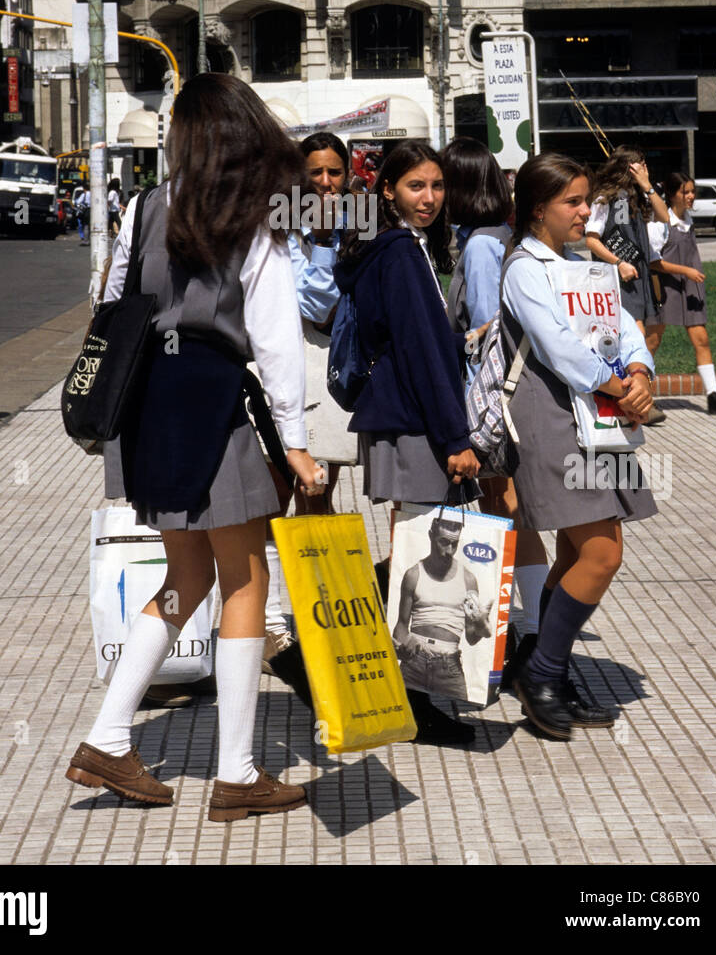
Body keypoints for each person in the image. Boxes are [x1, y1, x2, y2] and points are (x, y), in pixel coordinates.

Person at [66, 75, 325, 819]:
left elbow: (110, 304)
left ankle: (111, 737)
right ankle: (237, 774)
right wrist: (298, 445)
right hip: (217, 410)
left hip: (151, 407)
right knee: (246, 585)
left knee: (186, 578)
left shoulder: (147, 205)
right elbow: (276, 345)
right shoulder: (256, 219)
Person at [499, 154, 657, 740]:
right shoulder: (525, 268)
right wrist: (623, 386)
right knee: (602, 553)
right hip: (557, 419)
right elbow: (559, 346)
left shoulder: (584, 264)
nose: (586, 211)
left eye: (586, 199)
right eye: (574, 202)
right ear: (538, 209)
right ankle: (541, 674)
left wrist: (640, 373)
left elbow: (626, 325)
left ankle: (549, 670)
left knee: (574, 554)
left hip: (602, 416)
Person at [334, 142, 482, 746]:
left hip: (402, 416)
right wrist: (455, 437)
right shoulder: (398, 252)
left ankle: (374, 656)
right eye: (416, 186)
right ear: (388, 190)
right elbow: (421, 350)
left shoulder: (395, 247)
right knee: (423, 552)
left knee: (414, 547)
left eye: (438, 187)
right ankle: (413, 700)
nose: (430, 198)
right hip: (417, 422)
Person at [441, 137, 549, 681]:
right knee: (509, 513)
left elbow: (488, 335)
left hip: (487, 405)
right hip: (502, 399)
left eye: (442, 181)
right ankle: (529, 629)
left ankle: (524, 633)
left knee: (503, 512)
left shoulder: (483, 245)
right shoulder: (492, 237)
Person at [262, 131, 359, 676]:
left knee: (318, 499)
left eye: (335, 173)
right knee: (274, 502)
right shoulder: (280, 229)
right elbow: (315, 304)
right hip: (284, 381)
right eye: (315, 173)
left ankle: (314, 620)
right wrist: (322, 241)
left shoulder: (355, 225)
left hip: (332, 382)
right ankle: (270, 624)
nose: (325, 183)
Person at [584, 145, 670, 425]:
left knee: (648, 337)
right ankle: (634, 401)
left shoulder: (640, 196)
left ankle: (635, 395)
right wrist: (617, 262)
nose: (645, 169)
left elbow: (664, 216)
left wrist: (647, 186)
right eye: (640, 165)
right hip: (618, 277)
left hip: (640, 277)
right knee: (635, 336)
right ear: (627, 167)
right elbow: (591, 238)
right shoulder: (603, 199)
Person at [646, 173, 716, 416]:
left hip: (690, 289)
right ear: (672, 194)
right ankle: (642, 396)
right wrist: (686, 270)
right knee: (652, 342)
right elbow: (653, 263)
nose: (690, 196)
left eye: (692, 191)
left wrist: (690, 275)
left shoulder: (688, 219)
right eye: (684, 192)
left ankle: (713, 396)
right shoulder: (658, 224)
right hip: (663, 288)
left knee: (702, 339)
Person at [393, 516, 486, 699]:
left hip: (448, 663)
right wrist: (400, 647)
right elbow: (402, 624)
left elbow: (472, 637)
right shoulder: (413, 575)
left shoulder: (468, 580)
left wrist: (480, 626)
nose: (449, 550)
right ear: (430, 536)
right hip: (414, 660)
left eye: (454, 544)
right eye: (443, 542)